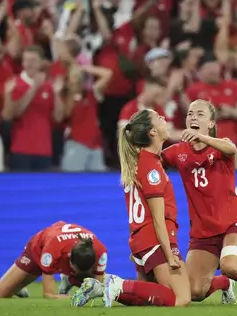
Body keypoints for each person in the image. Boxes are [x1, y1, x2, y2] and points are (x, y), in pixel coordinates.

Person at [161, 99, 237, 305]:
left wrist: (201, 138)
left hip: (232, 223)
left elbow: (231, 148)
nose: (193, 117)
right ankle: (224, 283)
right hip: (203, 232)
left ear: (211, 124)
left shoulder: (220, 148)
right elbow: (153, 160)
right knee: (194, 292)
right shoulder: (178, 152)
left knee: (231, 265)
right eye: (190, 114)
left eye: (199, 114)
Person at [72, 109, 191, 308]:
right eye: (160, 118)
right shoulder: (151, 168)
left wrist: (137, 249)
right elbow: (157, 218)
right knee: (180, 298)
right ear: (152, 132)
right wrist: (169, 255)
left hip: (141, 239)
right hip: (155, 238)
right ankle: (115, 285)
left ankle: (105, 288)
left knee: (150, 297)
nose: (164, 120)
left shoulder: (142, 162)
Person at [0, 221, 107, 299]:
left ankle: (69, 280)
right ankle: (18, 286)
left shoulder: (101, 252)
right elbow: (48, 293)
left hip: (65, 252)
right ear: (69, 258)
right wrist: (62, 297)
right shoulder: (51, 251)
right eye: (75, 271)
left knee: (93, 284)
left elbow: (99, 287)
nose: (78, 274)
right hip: (38, 250)